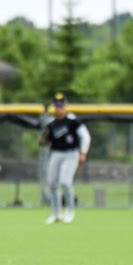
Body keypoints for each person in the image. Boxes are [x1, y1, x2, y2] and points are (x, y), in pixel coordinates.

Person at [39, 92, 91, 224]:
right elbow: (45, 141)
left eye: (61, 104)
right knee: (52, 183)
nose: (59, 107)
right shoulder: (51, 123)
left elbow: (85, 136)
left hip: (71, 153)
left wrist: (83, 152)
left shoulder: (73, 121)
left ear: (65, 105)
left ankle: (69, 211)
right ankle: (56, 213)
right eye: (56, 104)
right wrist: (43, 140)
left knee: (65, 182)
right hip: (56, 153)